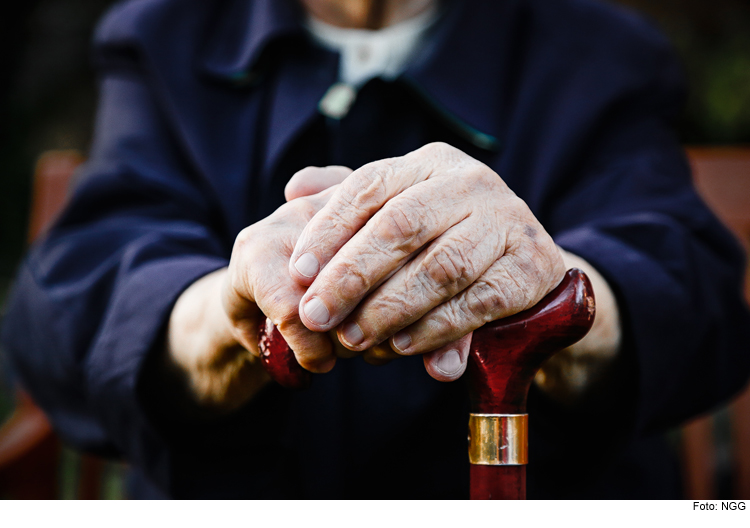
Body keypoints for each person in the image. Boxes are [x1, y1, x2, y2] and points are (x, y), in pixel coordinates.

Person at [2, 0, 749, 499]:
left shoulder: (599, 48)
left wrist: (545, 290)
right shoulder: (164, 36)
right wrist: (229, 310)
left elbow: (682, 282)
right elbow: (79, 292)